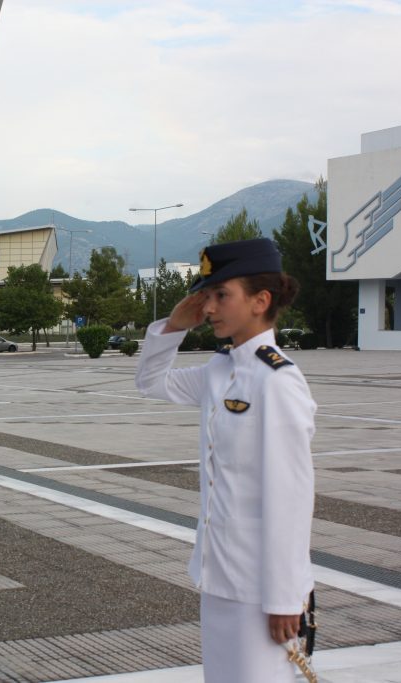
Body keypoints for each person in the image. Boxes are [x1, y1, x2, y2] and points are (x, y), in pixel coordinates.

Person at [135, 238, 315, 683]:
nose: (209, 307)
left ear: (261, 301)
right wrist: (174, 326)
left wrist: (285, 598)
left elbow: (291, 497)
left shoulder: (277, 382)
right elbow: (150, 384)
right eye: (207, 295)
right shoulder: (221, 370)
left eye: (221, 295)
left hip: (261, 587)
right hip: (219, 573)